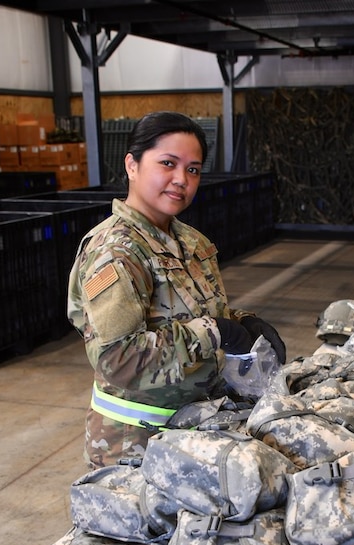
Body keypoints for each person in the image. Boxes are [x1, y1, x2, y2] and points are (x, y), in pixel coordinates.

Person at [67, 111, 286, 468]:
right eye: (167, 163)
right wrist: (216, 332)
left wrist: (243, 324)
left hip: (191, 428)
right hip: (135, 445)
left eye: (193, 169)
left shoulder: (190, 241)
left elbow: (193, 313)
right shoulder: (116, 252)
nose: (181, 179)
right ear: (132, 165)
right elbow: (117, 359)